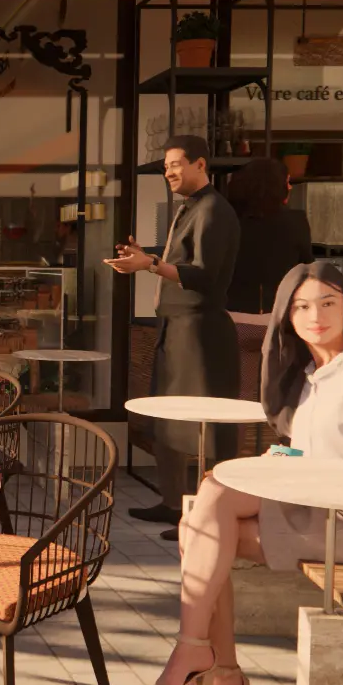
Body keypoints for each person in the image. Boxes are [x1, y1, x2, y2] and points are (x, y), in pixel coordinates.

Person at [141, 261, 343, 685]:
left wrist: (310, 475)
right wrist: (287, 462)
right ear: (287, 317)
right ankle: (217, 666)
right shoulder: (314, 375)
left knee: (206, 519)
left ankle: (200, 655)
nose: (316, 316)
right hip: (322, 512)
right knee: (200, 517)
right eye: (302, 307)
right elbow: (329, 453)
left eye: (328, 303)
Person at [105, 134, 241, 527]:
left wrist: (149, 264)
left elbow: (204, 275)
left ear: (201, 164)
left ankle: (211, 515)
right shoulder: (190, 208)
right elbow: (179, 266)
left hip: (200, 332)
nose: (168, 172)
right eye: (166, 166)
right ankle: (173, 503)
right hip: (174, 328)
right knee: (166, 419)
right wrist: (146, 259)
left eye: (176, 164)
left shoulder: (213, 210)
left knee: (205, 427)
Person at [225, 158, 314, 314]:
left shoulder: (225, 220)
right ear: (275, 187)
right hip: (279, 311)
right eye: (287, 182)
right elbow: (308, 267)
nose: (290, 187)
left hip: (231, 311)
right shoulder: (295, 221)